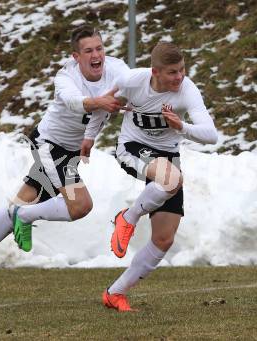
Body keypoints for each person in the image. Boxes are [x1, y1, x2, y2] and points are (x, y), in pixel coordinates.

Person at [0, 25, 129, 298]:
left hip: (69, 152)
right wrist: (100, 103)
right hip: (49, 146)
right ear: (76, 56)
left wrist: (91, 137)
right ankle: (23, 217)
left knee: (21, 200)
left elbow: (134, 88)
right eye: (88, 51)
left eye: (99, 48)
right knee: (80, 205)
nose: (96, 55)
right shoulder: (65, 77)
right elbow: (76, 102)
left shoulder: (118, 70)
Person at [87, 41, 218, 311]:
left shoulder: (187, 89)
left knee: (163, 239)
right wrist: (89, 136)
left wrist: (181, 126)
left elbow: (211, 135)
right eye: (172, 72)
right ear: (154, 72)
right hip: (132, 148)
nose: (179, 77)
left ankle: (115, 293)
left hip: (166, 156)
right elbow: (104, 104)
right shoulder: (133, 80)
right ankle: (129, 217)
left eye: (182, 69)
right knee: (172, 179)